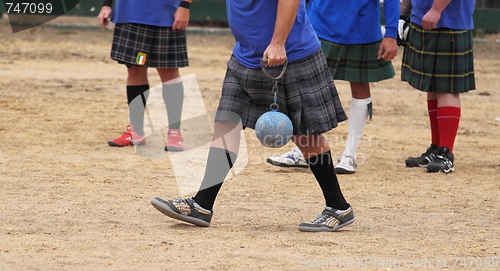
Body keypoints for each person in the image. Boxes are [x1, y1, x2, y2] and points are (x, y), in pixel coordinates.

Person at [151, 0, 355, 232]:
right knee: (226, 125)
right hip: (245, 56)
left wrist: (278, 43)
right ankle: (202, 204)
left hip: (289, 54)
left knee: (305, 136)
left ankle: (338, 207)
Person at [266, 0, 400, 174]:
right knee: (306, 87)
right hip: (317, 25)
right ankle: (303, 150)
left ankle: (350, 154)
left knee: (360, 86)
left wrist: (391, 33)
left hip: (362, 28)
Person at [97, 0, 190, 151]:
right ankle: (136, 131)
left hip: (166, 15)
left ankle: (174, 133)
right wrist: (106, 4)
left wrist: (184, 6)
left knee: (168, 70)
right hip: (130, 15)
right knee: (136, 68)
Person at [400, 0, 475, 173]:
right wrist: (403, 16)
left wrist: (436, 9)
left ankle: (446, 152)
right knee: (433, 85)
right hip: (423, 17)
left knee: (447, 87)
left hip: (448, 20)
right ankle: (436, 148)